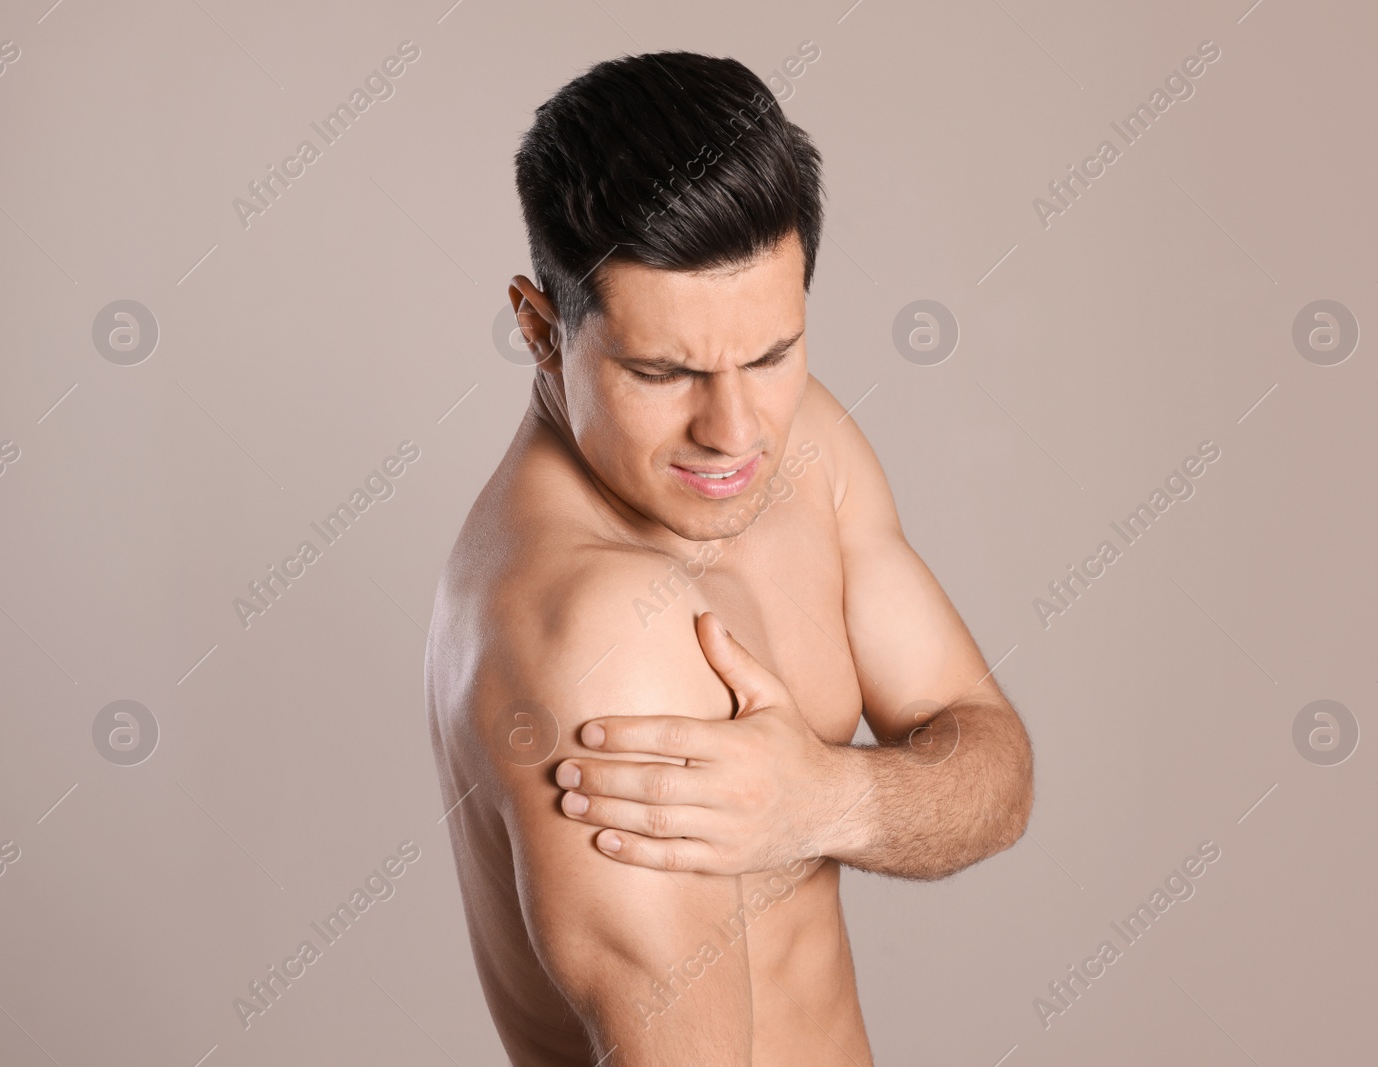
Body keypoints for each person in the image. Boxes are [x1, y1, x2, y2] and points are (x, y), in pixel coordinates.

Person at [426, 50, 1034, 1066]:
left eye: (769, 353)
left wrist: (824, 800)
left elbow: (996, 773)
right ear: (541, 330)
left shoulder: (800, 444)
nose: (734, 430)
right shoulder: (593, 637)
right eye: (663, 371)